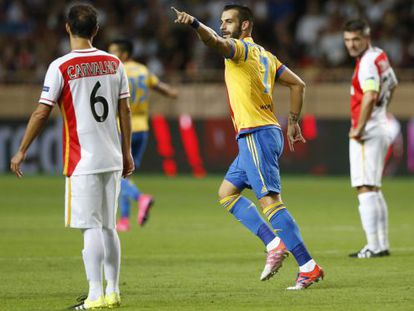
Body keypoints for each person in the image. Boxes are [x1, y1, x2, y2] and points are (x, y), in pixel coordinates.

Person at [172, 4, 324, 290]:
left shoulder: (240, 50)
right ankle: (275, 243)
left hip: (256, 135)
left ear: (245, 26)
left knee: (270, 202)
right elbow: (298, 85)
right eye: (220, 21)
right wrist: (292, 121)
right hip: (263, 133)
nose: (222, 26)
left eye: (228, 21)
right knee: (227, 194)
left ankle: (308, 266)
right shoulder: (267, 56)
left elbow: (214, 42)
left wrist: (195, 24)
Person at [10, 4, 134, 309]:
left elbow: (42, 111)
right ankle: (113, 291)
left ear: (67, 28)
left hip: (83, 160)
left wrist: (22, 149)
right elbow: (125, 109)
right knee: (108, 226)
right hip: (113, 156)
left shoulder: (61, 66)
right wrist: (128, 152)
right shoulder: (115, 62)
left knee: (90, 226)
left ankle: (94, 295)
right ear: (96, 30)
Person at [108, 39, 178, 232]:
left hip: (123, 128)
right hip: (142, 129)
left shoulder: (116, 70)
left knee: (117, 176)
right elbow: (161, 88)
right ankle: (123, 220)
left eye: (113, 52)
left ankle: (141, 198)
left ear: (123, 54)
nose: (110, 55)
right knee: (125, 175)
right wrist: (173, 93)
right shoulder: (143, 70)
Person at [343, 19, 398, 258]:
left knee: (364, 187)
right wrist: (382, 110)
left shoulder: (366, 63)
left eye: (356, 39)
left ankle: (373, 246)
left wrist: (360, 127)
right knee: (373, 188)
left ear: (367, 38)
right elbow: (393, 83)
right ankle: (382, 244)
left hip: (367, 131)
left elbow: (370, 94)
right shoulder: (379, 55)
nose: (351, 45)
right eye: (347, 40)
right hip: (380, 124)